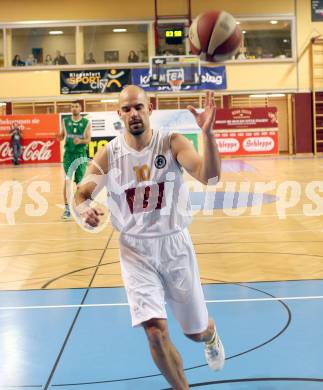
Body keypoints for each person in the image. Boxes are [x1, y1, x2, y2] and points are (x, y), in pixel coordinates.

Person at [74, 86, 224, 389]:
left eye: (138, 107)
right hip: (134, 250)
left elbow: (210, 177)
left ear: (150, 108)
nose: (133, 114)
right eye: (126, 109)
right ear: (119, 114)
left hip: (174, 245)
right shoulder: (110, 154)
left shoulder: (171, 143)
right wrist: (85, 208)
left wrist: (207, 134)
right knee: (154, 330)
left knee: (194, 332)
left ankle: (209, 335)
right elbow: (81, 192)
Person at [57, 100, 91, 219]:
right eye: (72, 107)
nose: (74, 108)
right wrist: (58, 137)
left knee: (80, 185)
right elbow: (61, 136)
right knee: (67, 182)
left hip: (81, 155)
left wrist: (80, 141)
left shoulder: (86, 122)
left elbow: (88, 139)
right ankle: (67, 210)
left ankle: (80, 208)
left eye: (76, 106)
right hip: (69, 156)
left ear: (80, 108)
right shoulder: (65, 121)